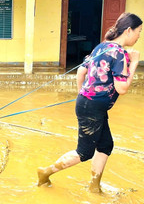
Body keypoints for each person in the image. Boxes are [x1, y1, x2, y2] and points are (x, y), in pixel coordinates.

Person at [37, 13, 142, 192]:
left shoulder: (101, 46)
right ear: (129, 30)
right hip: (93, 107)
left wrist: (83, 95)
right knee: (84, 152)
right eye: (139, 31)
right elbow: (122, 89)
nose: (139, 35)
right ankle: (45, 172)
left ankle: (94, 186)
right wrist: (134, 64)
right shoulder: (120, 54)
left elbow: (80, 73)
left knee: (106, 145)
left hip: (89, 104)